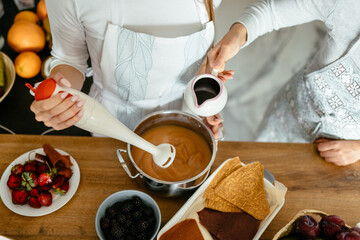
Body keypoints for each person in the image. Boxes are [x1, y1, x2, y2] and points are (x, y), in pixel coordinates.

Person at [30, 0, 233, 138]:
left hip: (187, 118)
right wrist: (58, 94)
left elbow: (266, 9)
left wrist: (240, 32)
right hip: (109, 123)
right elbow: (70, 59)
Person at [203, 0, 360, 165]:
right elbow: (270, 14)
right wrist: (237, 35)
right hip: (285, 120)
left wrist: (357, 148)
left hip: (347, 161)